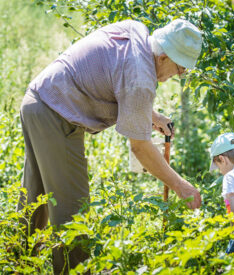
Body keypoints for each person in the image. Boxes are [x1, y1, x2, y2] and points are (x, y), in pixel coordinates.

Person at [18, 19, 202, 274]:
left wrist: (154, 116)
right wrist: (181, 186)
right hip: (57, 115)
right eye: (179, 68)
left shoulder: (136, 31)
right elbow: (140, 147)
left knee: (35, 201)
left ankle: (16, 265)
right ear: (162, 57)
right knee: (73, 213)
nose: (178, 76)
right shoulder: (141, 78)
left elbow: (119, 77)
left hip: (37, 101)